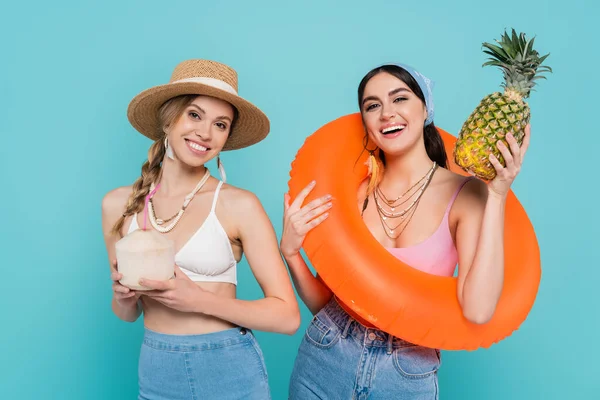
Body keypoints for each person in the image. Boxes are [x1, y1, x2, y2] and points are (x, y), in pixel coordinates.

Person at [282, 63, 530, 399]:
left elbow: (478, 310)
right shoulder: (357, 193)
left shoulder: (466, 196)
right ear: (365, 122)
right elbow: (328, 304)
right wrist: (292, 253)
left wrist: (497, 194)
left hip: (405, 372)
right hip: (325, 352)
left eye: (400, 99)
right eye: (373, 105)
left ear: (425, 109)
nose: (387, 113)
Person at [101, 59, 300, 400]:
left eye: (220, 124)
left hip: (228, 367)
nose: (206, 133)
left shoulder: (239, 204)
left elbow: (287, 316)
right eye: (194, 115)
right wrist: (123, 298)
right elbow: (126, 315)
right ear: (168, 119)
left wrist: (199, 301)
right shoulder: (118, 205)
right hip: (156, 367)